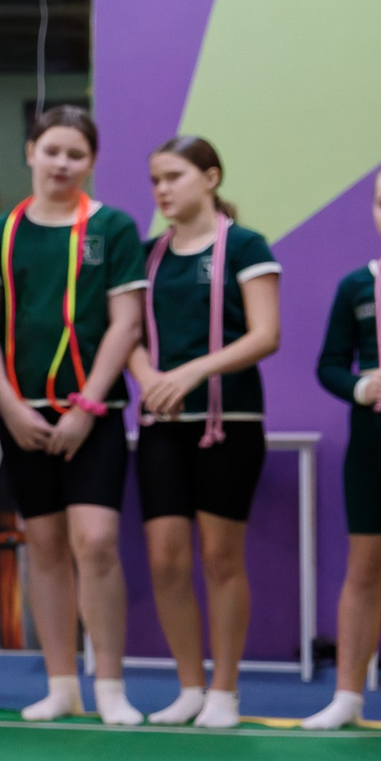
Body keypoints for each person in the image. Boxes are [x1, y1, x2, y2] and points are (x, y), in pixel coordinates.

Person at [0, 106, 148, 723]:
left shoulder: (113, 228)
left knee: (95, 542)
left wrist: (87, 407)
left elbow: (127, 324)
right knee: (43, 546)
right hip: (22, 417)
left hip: (93, 415)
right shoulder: (0, 233)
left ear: (91, 161)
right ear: (30, 153)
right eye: (51, 151)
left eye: (75, 154)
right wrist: (9, 404)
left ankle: (111, 686)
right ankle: (61, 684)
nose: (62, 164)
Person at [129, 138, 282, 729]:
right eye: (155, 180)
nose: (162, 189)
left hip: (230, 424)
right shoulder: (146, 256)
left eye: (174, 176)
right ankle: (189, 687)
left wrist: (192, 372)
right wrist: (149, 379)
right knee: (165, 560)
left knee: (221, 557)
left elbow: (265, 335)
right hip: (162, 425)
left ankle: (225, 691)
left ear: (211, 178)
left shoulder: (245, 246)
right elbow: (127, 333)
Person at [307, 165, 381, 731]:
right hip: (373, 443)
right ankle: (346, 698)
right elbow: (330, 364)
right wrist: (362, 387)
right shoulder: (356, 286)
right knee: (365, 570)